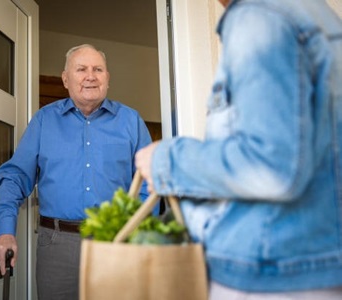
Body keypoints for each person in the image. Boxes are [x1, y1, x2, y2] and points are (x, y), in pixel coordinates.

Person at [135, 0, 342, 299]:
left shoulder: (259, 16)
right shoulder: (315, 14)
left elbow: (271, 165)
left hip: (269, 273)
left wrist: (166, 160)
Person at [0, 44, 152, 299]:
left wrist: (136, 229)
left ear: (107, 78)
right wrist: (5, 229)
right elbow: (16, 176)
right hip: (56, 244)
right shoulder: (44, 120)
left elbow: (149, 183)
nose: (91, 76)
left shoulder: (130, 121)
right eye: (81, 69)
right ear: (66, 79)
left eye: (98, 69)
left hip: (116, 241)